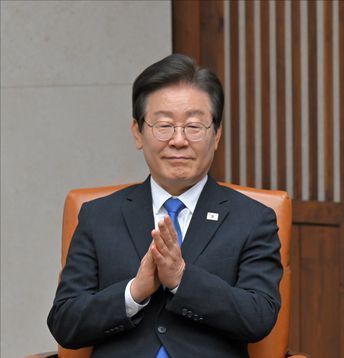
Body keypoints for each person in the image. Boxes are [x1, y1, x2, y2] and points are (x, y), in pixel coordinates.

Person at [47, 54, 282, 357]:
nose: (179, 140)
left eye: (194, 126)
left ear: (217, 133)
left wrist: (183, 280)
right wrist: (134, 292)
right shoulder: (99, 215)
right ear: (137, 133)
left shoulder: (252, 219)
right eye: (164, 125)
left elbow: (258, 316)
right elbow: (65, 322)